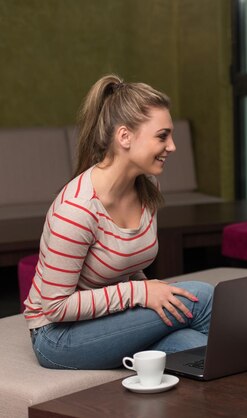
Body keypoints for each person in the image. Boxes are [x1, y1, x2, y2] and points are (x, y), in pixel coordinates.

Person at [23, 74, 213, 370]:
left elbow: (125, 261)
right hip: (58, 337)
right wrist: (141, 294)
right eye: (162, 136)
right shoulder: (77, 209)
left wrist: (151, 297)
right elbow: (56, 307)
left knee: (200, 351)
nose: (172, 146)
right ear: (124, 137)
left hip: (108, 320)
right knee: (201, 297)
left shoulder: (147, 188)